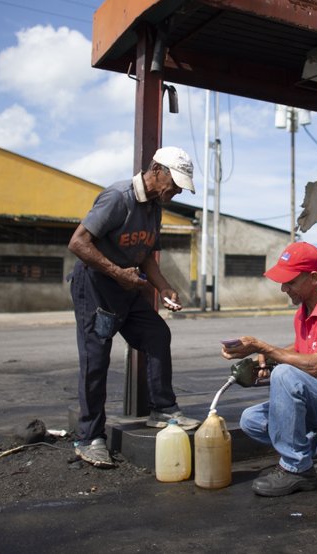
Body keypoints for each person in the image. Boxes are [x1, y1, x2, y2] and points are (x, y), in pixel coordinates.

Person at [68, 146, 200, 468]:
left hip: (128, 286)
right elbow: (78, 243)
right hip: (97, 288)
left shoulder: (155, 207)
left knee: (156, 334)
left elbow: (144, 256)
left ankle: (163, 409)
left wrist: (164, 287)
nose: (178, 190)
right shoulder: (118, 197)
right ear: (156, 170)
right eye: (176, 182)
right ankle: (89, 438)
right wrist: (115, 272)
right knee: (96, 360)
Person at [222, 241, 317, 496]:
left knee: (285, 373)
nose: (284, 288)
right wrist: (265, 358)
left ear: (314, 278)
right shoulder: (303, 313)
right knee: (251, 420)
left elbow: (314, 365)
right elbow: (301, 349)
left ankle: (297, 469)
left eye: (290, 282)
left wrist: (267, 348)